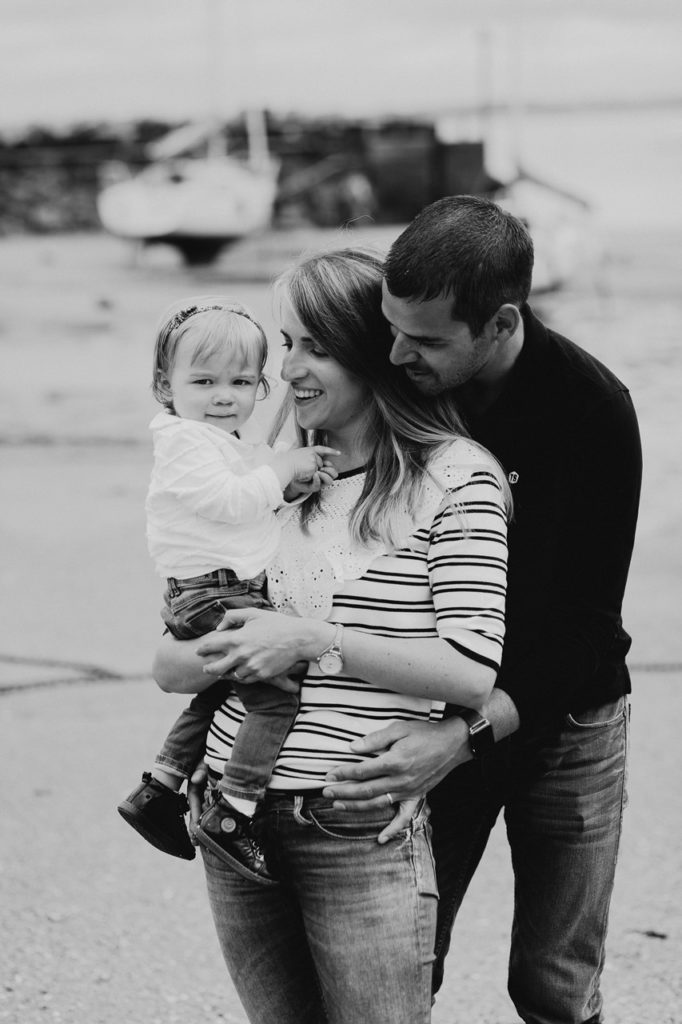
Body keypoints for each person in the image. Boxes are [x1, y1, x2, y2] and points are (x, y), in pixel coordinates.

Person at [153, 250, 510, 1024]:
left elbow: (471, 671)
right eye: (287, 345)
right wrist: (215, 653)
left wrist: (313, 637)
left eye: (315, 347)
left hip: (351, 819)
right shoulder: (268, 480)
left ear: (370, 352)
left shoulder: (455, 478)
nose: (287, 371)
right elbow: (172, 665)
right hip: (229, 814)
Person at [319, 196, 642, 1024]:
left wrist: (462, 737)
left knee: (554, 985)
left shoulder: (592, 409)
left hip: (568, 723)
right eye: (391, 329)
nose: (397, 354)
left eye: (426, 340)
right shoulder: (400, 387)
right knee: (402, 963)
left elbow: (585, 631)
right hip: (432, 704)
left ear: (501, 323)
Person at [118, 296, 338, 879]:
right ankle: (234, 813)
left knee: (223, 689)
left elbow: (251, 504)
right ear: (164, 385)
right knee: (275, 695)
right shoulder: (185, 442)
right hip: (212, 593)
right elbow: (232, 500)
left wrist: (291, 486)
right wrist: (284, 469)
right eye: (204, 381)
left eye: (240, 382)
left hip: (216, 588)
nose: (224, 395)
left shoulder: (222, 441)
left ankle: (160, 784)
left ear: (260, 386)